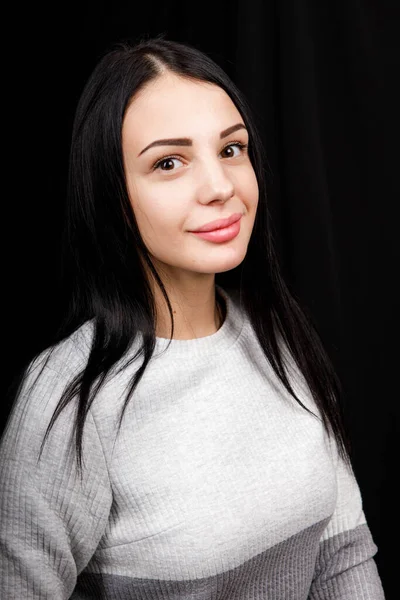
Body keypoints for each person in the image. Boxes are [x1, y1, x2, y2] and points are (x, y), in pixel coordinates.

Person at [0, 36, 385, 599]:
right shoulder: (68, 399)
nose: (220, 186)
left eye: (231, 150)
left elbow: (344, 553)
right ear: (112, 195)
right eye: (169, 162)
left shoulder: (278, 334)